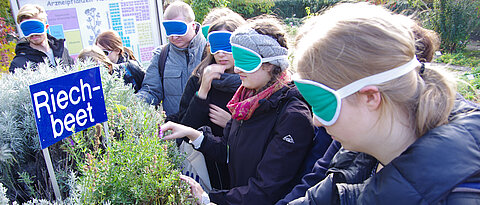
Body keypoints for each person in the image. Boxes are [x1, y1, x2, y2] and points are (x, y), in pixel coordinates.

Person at [289, 2, 480, 204]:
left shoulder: (463, 195)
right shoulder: (362, 151)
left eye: (323, 104)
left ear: (370, 97)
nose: (316, 121)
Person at [161, 17, 315, 204]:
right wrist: (192, 134)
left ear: (272, 63)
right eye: (237, 57)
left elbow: (266, 190)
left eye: (247, 61)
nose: (238, 68)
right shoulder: (245, 101)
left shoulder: (293, 115)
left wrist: (208, 198)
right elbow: (228, 151)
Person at [168, 15, 246, 190]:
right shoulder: (198, 79)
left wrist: (231, 123)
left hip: (242, 172)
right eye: (216, 47)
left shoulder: (252, 83)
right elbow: (184, 128)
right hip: (205, 169)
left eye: (227, 46)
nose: (221, 53)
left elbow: (261, 134)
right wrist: (203, 91)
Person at [136, 1, 207, 115]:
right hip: (175, 127)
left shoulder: (210, 52)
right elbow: (151, 91)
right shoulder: (161, 56)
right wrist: (134, 105)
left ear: (193, 26)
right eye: (170, 31)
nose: (174, 36)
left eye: (179, 29)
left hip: (207, 129)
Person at [9, 4, 74, 73]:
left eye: (36, 27)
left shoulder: (62, 52)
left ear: (46, 27)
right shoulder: (19, 64)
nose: (33, 33)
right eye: (27, 28)